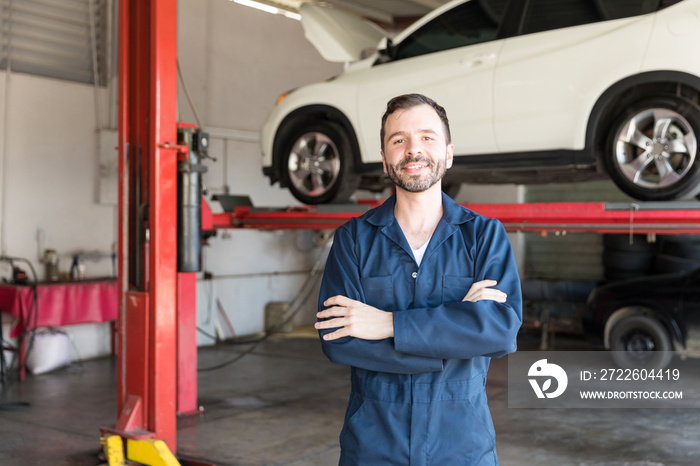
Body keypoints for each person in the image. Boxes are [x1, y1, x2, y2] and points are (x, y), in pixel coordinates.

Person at [314, 93, 523, 465]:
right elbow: (338, 339)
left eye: (427, 137)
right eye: (399, 140)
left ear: (449, 153)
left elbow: (500, 330)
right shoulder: (354, 239)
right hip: (374, 447)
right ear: (384, 159)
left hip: (462, 448)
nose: (414, 150)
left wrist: (387, 324)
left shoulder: (484, 236)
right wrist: (456, 335)